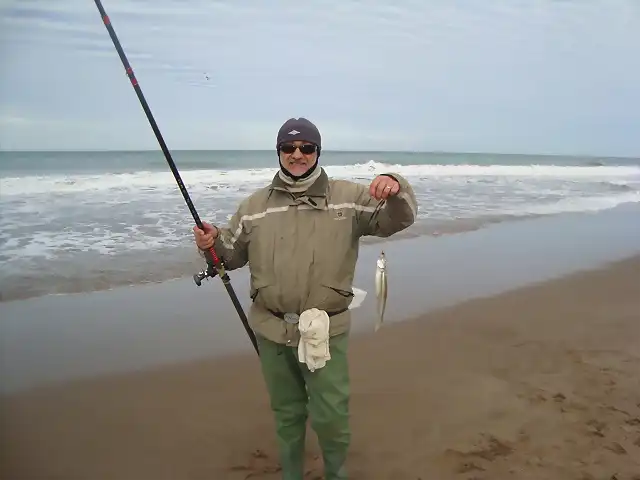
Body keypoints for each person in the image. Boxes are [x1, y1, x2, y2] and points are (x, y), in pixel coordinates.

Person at [193, 117, 418, 480]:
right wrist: (211, 244)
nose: (297, 155)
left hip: (325, 329)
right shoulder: (254, 207)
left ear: (317, 152)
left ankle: (336, 473)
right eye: (288, 148)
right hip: (272, 329)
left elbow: (397, 220)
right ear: (279, 152)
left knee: (331, 415)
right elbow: (230, 257)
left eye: (306, 148)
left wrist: (396, 185)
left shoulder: (350, 198)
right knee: (287, 413)